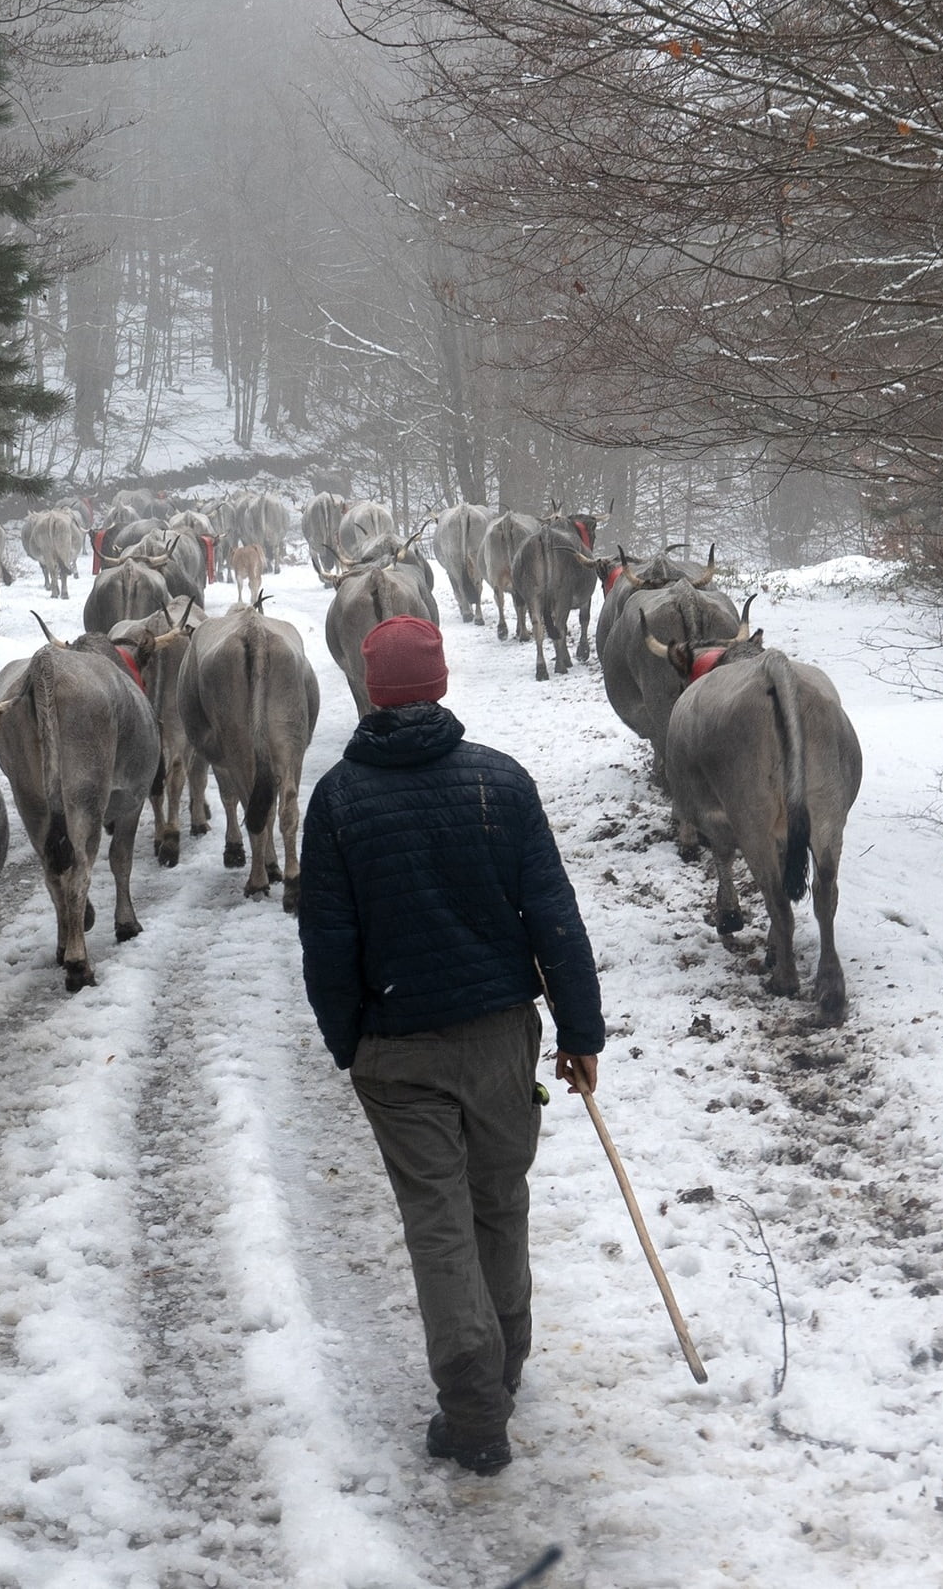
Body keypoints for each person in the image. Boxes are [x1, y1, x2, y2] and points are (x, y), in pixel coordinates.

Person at [297, 613, 605, 1476]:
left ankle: (474, 1408)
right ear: (437, 683)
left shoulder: (338, 801)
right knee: (498, 1201)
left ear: (369, 690)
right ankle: (501, 1366)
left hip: (396, 1052)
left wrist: (345, 1040)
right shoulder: (499, 783)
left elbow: (327, 941)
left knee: (439, 1223)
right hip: (501, 1036)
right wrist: (579, 1032)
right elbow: (554, 916)